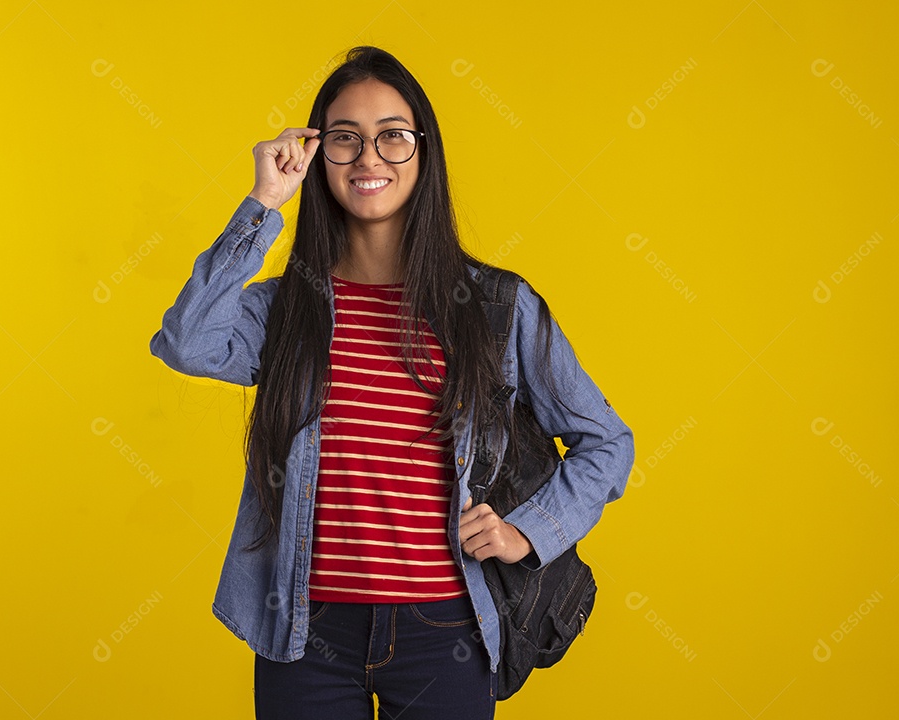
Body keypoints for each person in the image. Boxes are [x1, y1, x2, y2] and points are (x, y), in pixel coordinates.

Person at [149, 45, 634, 720]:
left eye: (392, 137)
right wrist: (264, 201)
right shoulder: (288, 306)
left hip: (447, 634)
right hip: (306, 633)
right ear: (318, 158)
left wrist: (530, 531)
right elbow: (186, 342)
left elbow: (607, 442)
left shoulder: (496, 307)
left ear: (422, 152)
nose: (368, 158)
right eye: (344, 139)